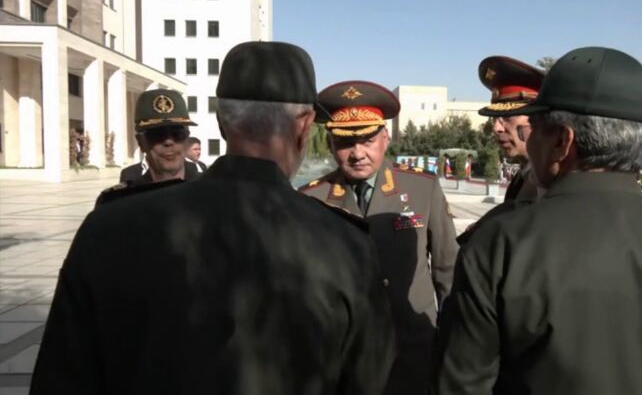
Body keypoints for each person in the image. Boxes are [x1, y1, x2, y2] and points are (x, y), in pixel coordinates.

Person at [31, 42, 395, 395]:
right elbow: (368, 379)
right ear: (304, 126)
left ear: (221, 122)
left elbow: (62, 378)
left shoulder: (109, 228)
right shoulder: (347, 246)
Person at [434, 47, 642, 394]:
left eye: (535, 128)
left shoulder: (500, 246)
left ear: (562, 141)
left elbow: (460, 384)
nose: (530, 140)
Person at [299, 80, 458, 394]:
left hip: (413, 352)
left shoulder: (421, 188)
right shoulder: (310, 199)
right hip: (343, 359)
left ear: (385, 138)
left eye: (368, 140)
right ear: (330, 142)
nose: (358, 153)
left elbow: (448, 271)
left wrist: (453, 345)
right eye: (345, 142)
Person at [477, 56, 545, 201]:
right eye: (494, 118)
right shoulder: (524, 176)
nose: (496, 128)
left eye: (508, 117)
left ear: (537, 118)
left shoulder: (550, 183)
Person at [118, 89, 200, 184]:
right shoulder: (129, 193)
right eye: (158, 134)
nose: (169, 141)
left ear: (187, 140)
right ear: (141, 142)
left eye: (177, 134)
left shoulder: (211, 189)